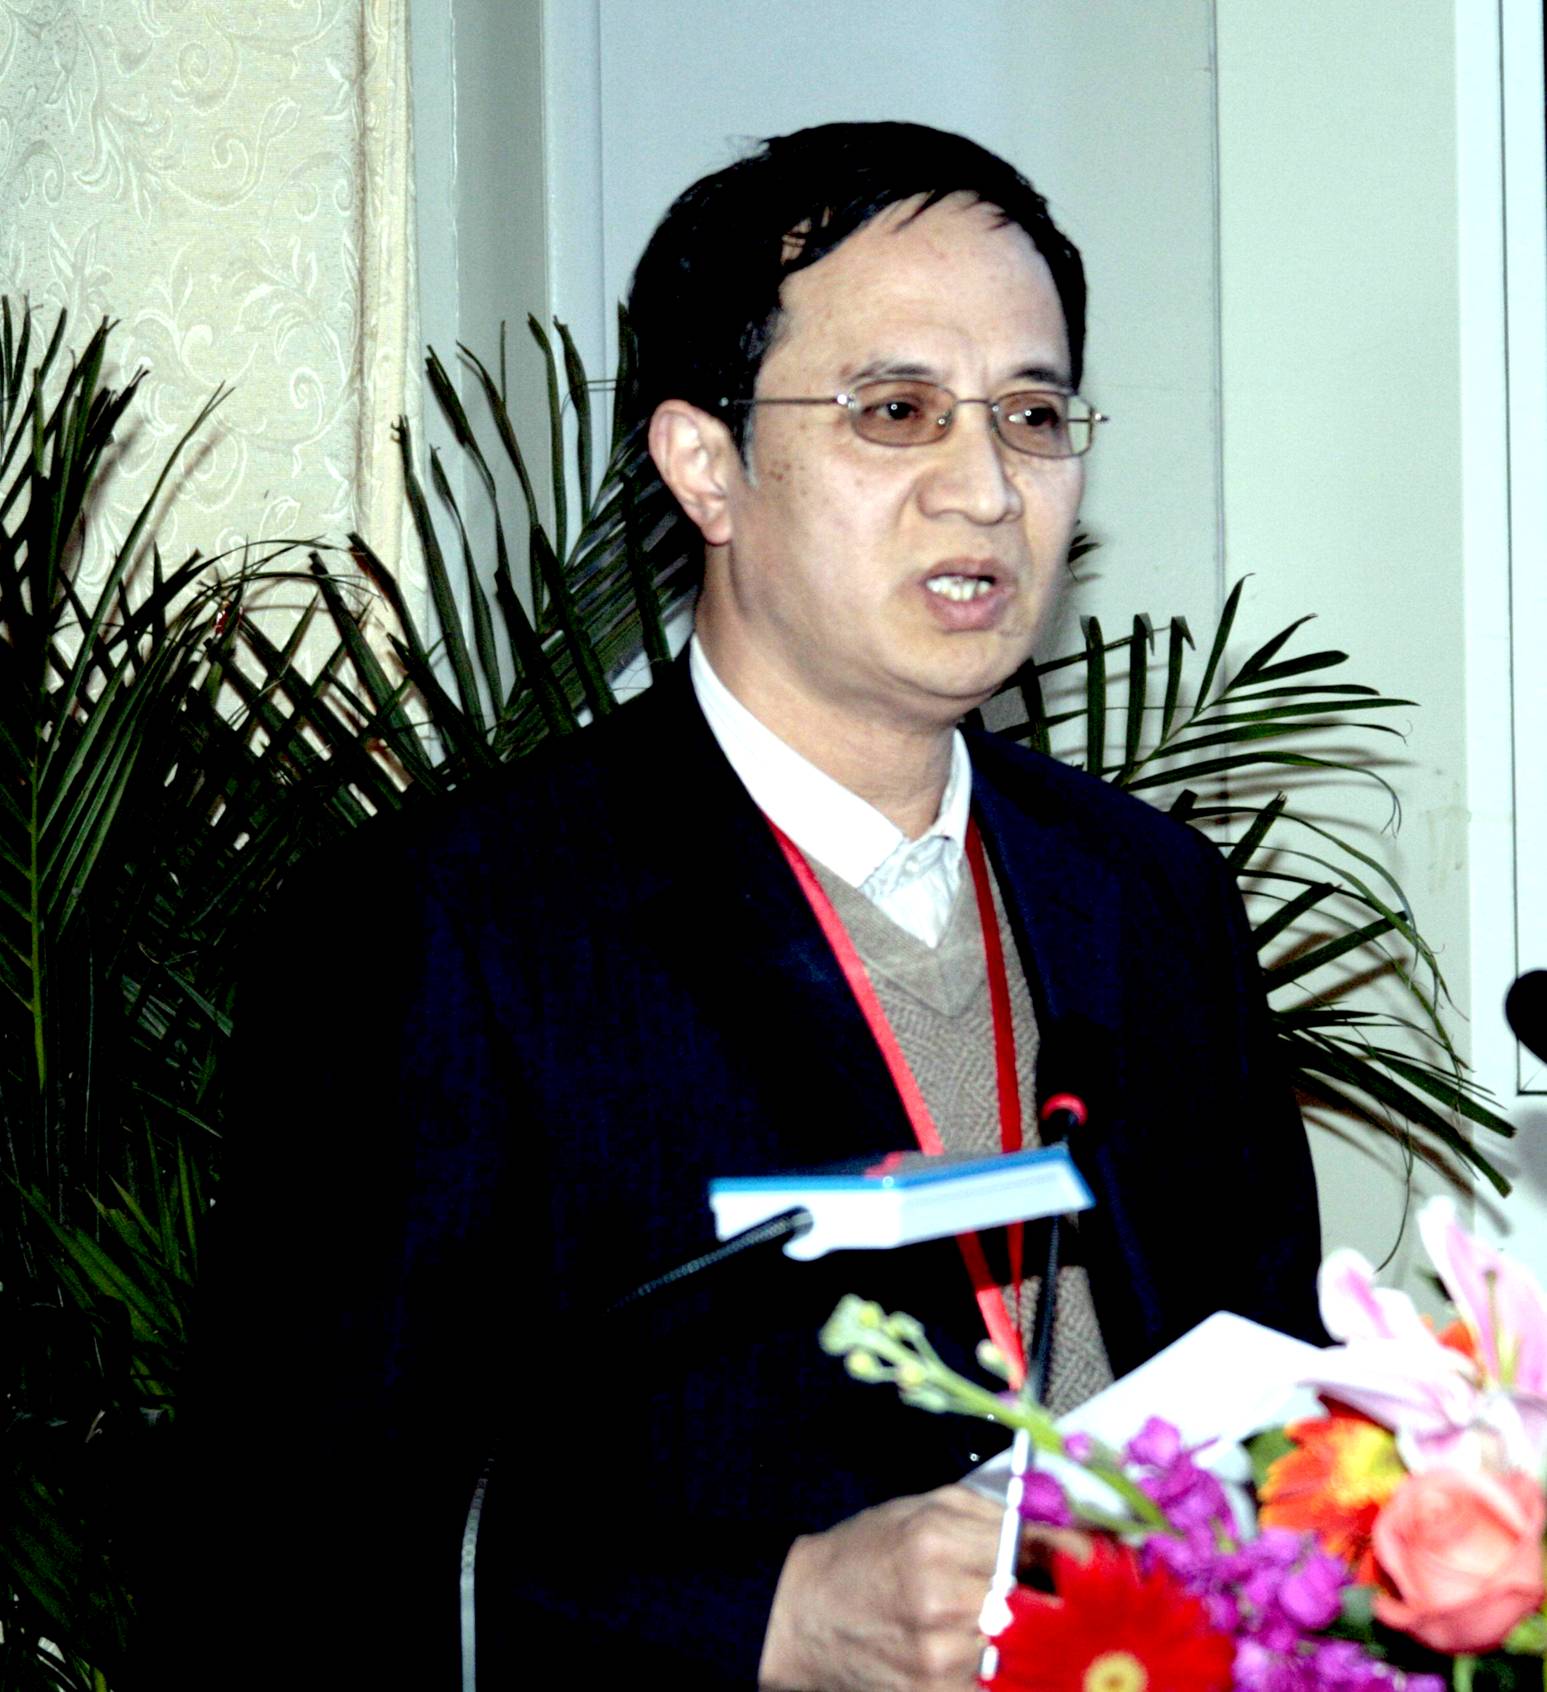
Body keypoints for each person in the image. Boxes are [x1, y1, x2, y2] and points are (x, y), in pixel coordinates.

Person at [160, 121, 1323, 1690]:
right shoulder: (460, 928)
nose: (987, 488)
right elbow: (286, 1549)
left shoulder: (1151, 895)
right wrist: (769, 1617)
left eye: (1034, 415)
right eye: (897, 412)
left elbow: (1273, 1390)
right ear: (704, 462)